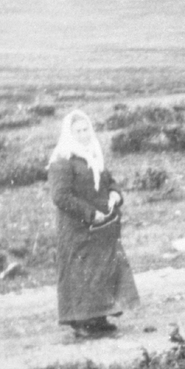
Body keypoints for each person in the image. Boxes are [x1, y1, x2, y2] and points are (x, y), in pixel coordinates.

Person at [48, 110, 140, 337]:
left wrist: (115, 195)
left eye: (86, 129)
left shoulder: (94, 155)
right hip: (77, 227)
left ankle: (98, 318)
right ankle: (80, 323)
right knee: (81, 272)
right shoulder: (62, 161)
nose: (83, 134)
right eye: (78, 131)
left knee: (100, 271)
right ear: (69, 134)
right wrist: (90, 213)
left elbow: (110, 182)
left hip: (102, 226)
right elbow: (60, 197)